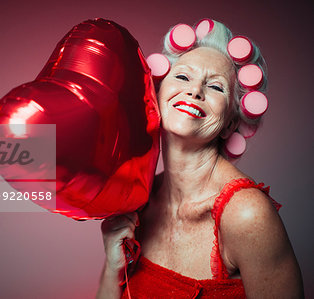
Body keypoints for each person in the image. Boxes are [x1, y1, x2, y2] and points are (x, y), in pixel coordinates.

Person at [96, 19, 304, 298]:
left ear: (231, 122)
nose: (195, 91)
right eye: (182, 77)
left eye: (216, 87)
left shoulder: (246, 214)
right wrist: (113, 267)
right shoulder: (138, 200)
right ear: (155, 96)